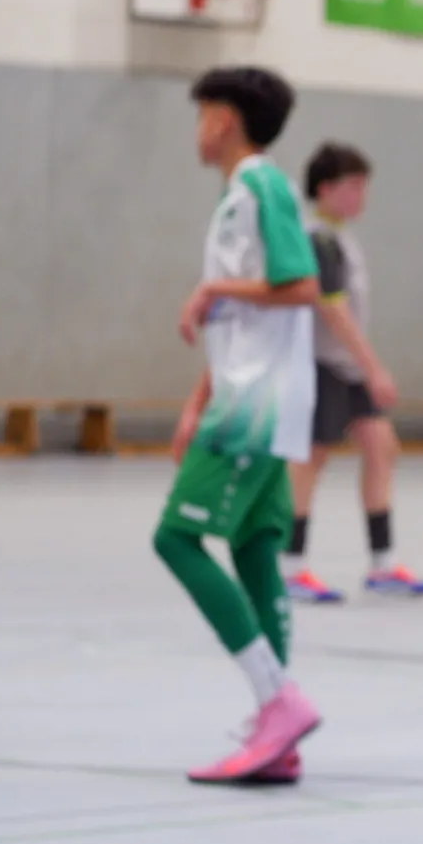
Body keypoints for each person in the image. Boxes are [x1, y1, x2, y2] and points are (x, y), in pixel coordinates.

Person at [155, 66, 324, 786]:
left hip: (257, 404)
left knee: (176, 538)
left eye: (202, 116)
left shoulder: (261, 187)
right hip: (249, 395)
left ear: (223, 119)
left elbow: (301, 285)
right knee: (255, 549)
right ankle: (277, 734)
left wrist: (210, 288)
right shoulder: (240, 197)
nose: (197, 130)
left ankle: (278, 700)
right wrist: (198, 401)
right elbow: (244, 320)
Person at [281, 142, 423, 604]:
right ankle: (289, 568)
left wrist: (363, 369)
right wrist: (375, 369)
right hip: (323, 365)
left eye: (364, 187)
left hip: (349, 368)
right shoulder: (318, 239)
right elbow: (335, 313)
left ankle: (383, 564)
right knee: (309, 461)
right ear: (325, 189)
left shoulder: (342, 237)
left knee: (381, 447)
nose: (361, 196)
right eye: (353, 186)